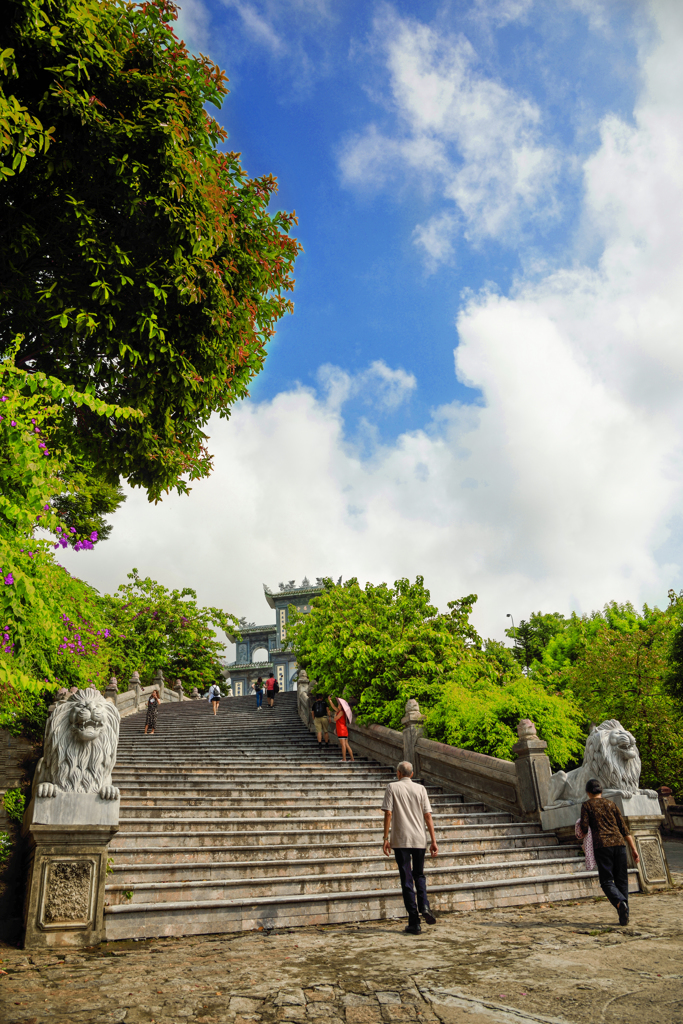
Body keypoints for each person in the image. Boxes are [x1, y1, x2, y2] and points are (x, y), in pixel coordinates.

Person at [382, 760, 438, 935]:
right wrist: (433, 841)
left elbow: (388, 813)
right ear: (412, 774)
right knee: (419, 874)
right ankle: (425, 906)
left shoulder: (392, 787)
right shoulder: (421, 789)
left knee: (406, 878)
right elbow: (428, 816)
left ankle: (414, 921)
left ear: (398, 773)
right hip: (419, 839)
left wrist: (385, 838)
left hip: (401, 840)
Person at [578, 778, 640, 926]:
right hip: (619, 844)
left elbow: (584, 828)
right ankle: (624, 914)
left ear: (588, 792)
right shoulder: (611, 804)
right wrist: (633, 848)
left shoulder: (587, 805)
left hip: (602, 845)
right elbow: (623, 828)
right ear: (601, 791)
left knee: (606, 881)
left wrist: (581, 830)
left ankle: (620, 903)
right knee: (621, 880)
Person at [329, 697, 354, 762]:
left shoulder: (341, 712)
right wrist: (330, 700)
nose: (338, 705)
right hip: (344, 729)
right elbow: (333, 707)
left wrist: (335, 714)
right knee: (346, 745)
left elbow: (335, 719)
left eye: (339, 704)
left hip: (341, 730)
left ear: (341, 706)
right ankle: (352, 759)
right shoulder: (341, 711)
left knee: (343, 745)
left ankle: (344, 759)